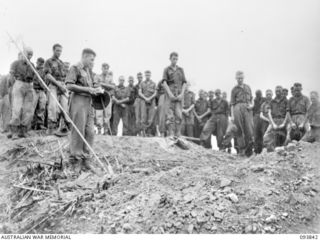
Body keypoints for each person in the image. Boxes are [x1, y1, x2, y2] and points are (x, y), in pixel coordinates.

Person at [66, 48, 103, 171]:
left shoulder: (89, 71)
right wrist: (88, 90)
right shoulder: (75, 68)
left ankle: (86, 159)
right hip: (78, 101)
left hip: (89, 103)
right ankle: (76, 160)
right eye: (91, 59)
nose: (93, 62)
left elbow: (92, 85)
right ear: (85, 57)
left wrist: (97, 88)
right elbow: (69, 85)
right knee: (78, 131)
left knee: (90, 132)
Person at [8, 47, 35, 139]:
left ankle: (23, 131)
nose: (30, 56)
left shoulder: (32, 65)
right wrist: (14, 87)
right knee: (17, 108)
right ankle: (14, 131)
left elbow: (34, 77)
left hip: (29, 86)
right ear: (24, 54)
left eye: (31, 54)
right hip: (19, 84)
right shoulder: (15, 63)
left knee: (27, 110)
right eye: (28, 54)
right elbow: (11, 77)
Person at [44, 44, 70, 135]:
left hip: (62, 86)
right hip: (53, 85)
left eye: (60, 51)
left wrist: (64, 86)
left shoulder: (62, 63)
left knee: (65, 106)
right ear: (53, 50)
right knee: (53, 106)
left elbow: (65, 76)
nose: (59, 52)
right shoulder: (48, 61)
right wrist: (58, 84)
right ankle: (51, 128)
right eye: (57, 50)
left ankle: (65, 127)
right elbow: (48, 75)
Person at [162, 52, 187, 137]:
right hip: (170, 93)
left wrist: (182, 94)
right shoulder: (166, 69)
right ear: (170, 59)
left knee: (179, 115)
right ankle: (171, 135)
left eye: (176, 59)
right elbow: (164, 83)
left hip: (179, 93)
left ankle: (178, 134)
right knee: (170, 116)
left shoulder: (181, 69)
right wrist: (170, 94)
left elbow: (184, 83)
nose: (175, 60)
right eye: (173, 58)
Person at [230, 71, 254, 156]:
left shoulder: (248, 87)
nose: (240, 80)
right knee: (239, 129)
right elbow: (232, 104)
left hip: (247, 108)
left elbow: (251, 99)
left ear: (243, 78)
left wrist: (252, 105)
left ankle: (249, 150)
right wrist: (232, 115)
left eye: (241, 78)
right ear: (236, 78)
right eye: (238, 78)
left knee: (249, 129)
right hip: (237, 107)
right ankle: (241, 150)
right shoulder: (234, 89)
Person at [263, 86, 288, 152]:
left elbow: (288, 113)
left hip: (283, 120)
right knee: (266, 136)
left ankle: (285, 148)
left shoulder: (286, 101)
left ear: (282, 91)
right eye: (277, 91)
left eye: (279, 91)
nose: (278, 92)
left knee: (289, 133)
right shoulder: (272, 101)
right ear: (275, 92)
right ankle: (270, 149)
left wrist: (284, 123)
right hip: (274, 120)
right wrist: (273, 124)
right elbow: (269, 113)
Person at [94, 63, 115, 134]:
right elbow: (95, 84)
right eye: (104, 68)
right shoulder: (97, 76)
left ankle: (106, 130)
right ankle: (99, 129)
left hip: (107, 97)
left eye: (107, 68)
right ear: (101, 68)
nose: (105, 70)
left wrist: (102, 84)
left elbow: (112, 86)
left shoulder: (110, 77)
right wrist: (105, 86)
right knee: (99, 114)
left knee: (107, 114)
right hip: (99, 97)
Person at [139, 71, 157, 136]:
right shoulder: (142, 83)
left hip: (152, 101)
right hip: (144, 100)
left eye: (148, 75)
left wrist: (150, 98)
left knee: (151, 117)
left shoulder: (154, 83)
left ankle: (149, 132)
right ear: (145, 75)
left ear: (150, 75)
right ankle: (143, 132)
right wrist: (145, 98)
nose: (147, 76)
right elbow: (140, 92)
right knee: (143, 116)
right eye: (146, 75)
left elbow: (155, 93)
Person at [32, 57, 47, 130]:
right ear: (37, 62)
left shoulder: (44, 71)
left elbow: (45, 81)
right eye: (39, 62)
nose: (40, 64)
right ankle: (31, 124)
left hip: (42, 91)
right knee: (32, 107)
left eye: (42, 63)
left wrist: (45, 88)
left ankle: (40, 124)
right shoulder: (33, 69)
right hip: (34, 90)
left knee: (42, 107)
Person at [252, 90, 266, 154]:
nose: (258, 95)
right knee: (256, 134)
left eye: (259, 93)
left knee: (263, 133)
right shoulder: (254, 100)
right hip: (256, 117)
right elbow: (252, 109)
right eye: (257, 94)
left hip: (263, 116)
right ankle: (256, 150)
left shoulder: (264, 99)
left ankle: (263, 149)